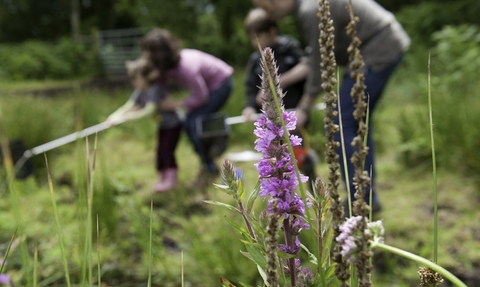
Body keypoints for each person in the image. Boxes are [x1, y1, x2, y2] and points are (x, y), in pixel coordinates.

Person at [252, 0, 411, 213]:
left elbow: (319, 64)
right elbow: (312, 59)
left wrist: (305, 106)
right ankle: (366, 196)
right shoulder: (306, 8)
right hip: (378, 43)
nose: (266, 13)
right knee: (357, 123)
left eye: (266, 5)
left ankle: (362, 199)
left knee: (343, 123)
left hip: (378, 47)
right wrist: (276, 82)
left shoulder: (309, 10)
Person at [141, 29, 234, 188]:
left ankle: (210, 166)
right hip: (205, 88)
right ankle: (209, 160)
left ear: (158, 56)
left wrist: (176, 104)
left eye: (147, 53)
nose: (145, 57)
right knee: (190, 123)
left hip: (220, 84)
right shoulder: (164, 67)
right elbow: (159, 89)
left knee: (193, 125)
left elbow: (201, 96)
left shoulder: (186, 68)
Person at [242, 7, 317, 184]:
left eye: (258, 36)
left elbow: (307, 68)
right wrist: (248, 107)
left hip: (293, 115)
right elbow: (250, 89)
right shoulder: (255, 60)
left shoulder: (289, 48)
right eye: (252, 38)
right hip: (270, 122)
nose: (255, 42)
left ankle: (311, 186)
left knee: (299, 154)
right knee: (274, 158)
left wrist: (279, 83)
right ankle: (279, 189)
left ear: (272, 31)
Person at [106, 57, 182, 193]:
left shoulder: (155, 89)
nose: (133, 82)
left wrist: (131, 117)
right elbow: (129, 105)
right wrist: (113, 117)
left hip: (173, 124)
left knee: (167, 150)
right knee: (159, 151)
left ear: (146, 77)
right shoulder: (140, 91)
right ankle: (161, 179)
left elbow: (149, 110)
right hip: (163, 125)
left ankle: (171, 181)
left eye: (136, 79)